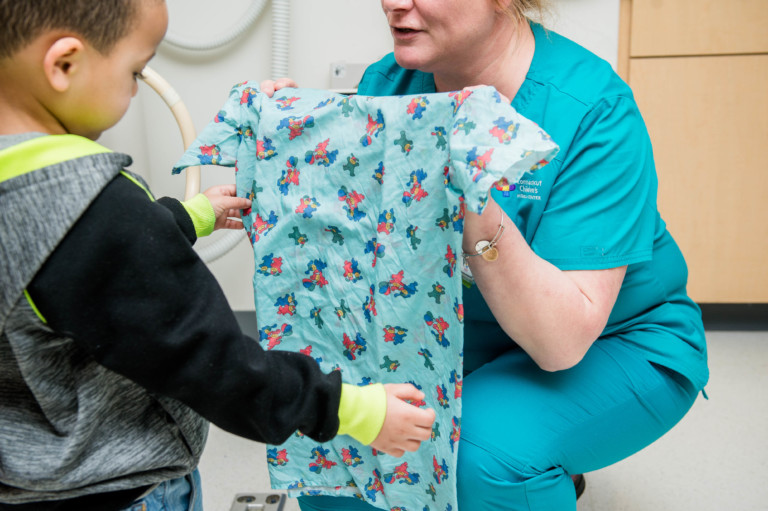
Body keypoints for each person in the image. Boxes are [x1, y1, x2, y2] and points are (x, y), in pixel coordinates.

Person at [264, 1, 709, 510]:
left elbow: (560, 344)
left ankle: (527, 455)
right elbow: (353, 256)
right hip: (452, 330)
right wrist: (292, 145)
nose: (394, 2)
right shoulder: (389, 86)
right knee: (337, 431)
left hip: (609, 341)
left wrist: (474, 200)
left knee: (479, 457)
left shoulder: (590, 109)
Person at [0, 1, 435, 510]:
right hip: (124, 486)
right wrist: (351, 409)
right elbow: (211, 361)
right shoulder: (95, 212)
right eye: (135, 71)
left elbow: (72, 277)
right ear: (64, 66)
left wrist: (182, 220)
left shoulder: (31, 193)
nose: (135, 87)